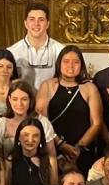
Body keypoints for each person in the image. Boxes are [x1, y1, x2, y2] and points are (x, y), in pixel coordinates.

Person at [38, 45, 103, 174]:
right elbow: (41, 118)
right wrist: (61, 144)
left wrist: (78, 148)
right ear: (59, 64)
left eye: (76, 62)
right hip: (53, 148)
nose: (71, 66)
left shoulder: (90, 88)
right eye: (66, 61)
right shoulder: (48, 85)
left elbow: (96, 123)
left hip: (82, 151)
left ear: (81, 65)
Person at [7, 1, 65, 88]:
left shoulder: (60, 51)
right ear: (26, 23)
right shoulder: (12, 52)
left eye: (41, 19)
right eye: (32, 19)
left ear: (47, 24)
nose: (36, 24)